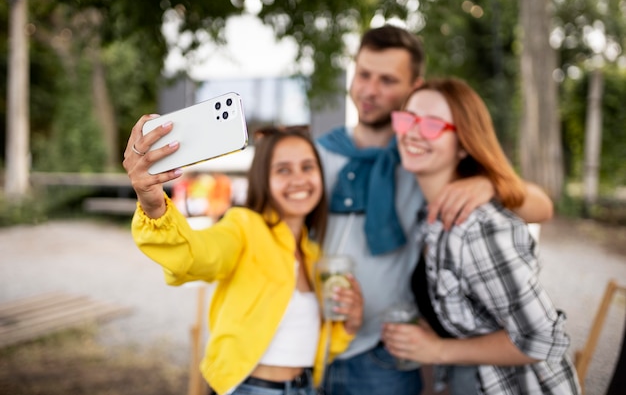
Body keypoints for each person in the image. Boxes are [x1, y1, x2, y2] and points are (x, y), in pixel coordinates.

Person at [315, 25, 555, 395]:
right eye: (363, 74)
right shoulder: (315, 157)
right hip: (311, 344)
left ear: (414, 88)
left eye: (387, 80)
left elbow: (542, 206)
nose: (370, 90)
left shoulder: (424, 164)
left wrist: (490, 184)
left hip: (384, 352)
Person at [122, 121, 364, 395]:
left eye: (307, 167)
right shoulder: (244, 227)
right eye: (283, 169)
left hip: (307, 388)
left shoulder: (313, 254)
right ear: (263, 178)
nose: (299, 179)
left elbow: (309, 343)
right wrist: (153, 204)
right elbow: (196, 256)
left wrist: (350, 324)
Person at [381, 77, 580, 394]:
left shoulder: (478, 228)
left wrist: (437, 351)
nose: (413, 132)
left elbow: (544, 340)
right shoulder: (429, 215)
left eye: (433, 125)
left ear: (463, 145)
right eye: (407, 119)